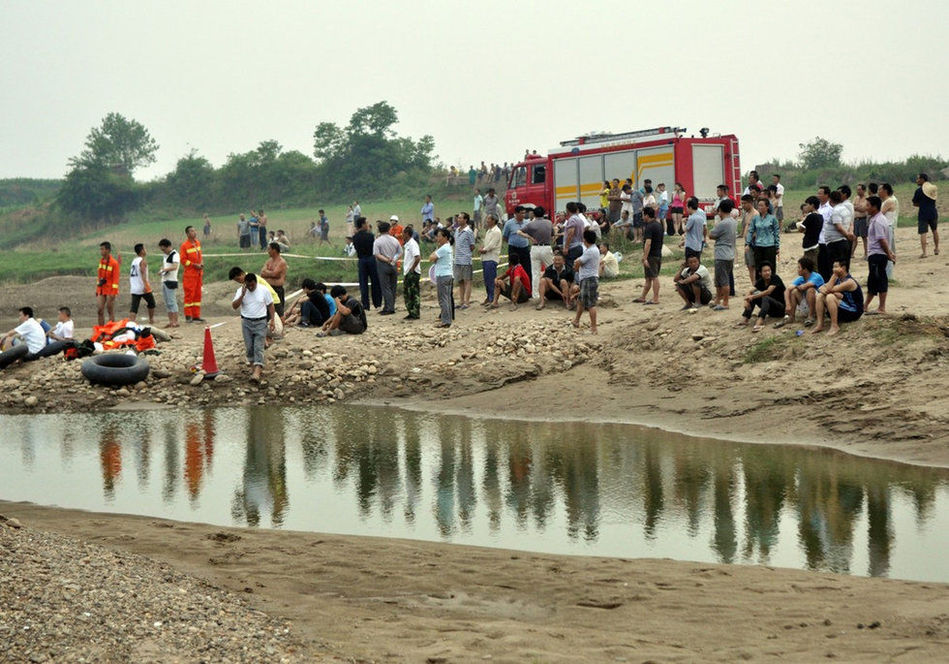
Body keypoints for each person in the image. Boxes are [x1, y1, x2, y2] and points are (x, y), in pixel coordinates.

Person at [232, 272, 275, 382]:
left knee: (258, 347)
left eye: (252, 285)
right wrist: (242, 295)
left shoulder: (264, 290)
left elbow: (270, 305)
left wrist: (273, 320)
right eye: (248, 285)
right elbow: (234, 306)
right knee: (249, 347)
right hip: (246, 322)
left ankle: (257, 371)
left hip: (260, 321)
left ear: (255, 282)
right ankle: (254, 368)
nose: (251, 287)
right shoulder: (240, 291)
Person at [227, 267, 284, 340]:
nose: (238, 282)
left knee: (270, 320)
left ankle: (269, 338)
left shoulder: (252, 280)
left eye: (238, 279)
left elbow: (259, 294)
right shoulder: (249, 280)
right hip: (272, 299)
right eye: (236, 281)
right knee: (273, 320)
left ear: (242, 274)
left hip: (271, 300)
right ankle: (269, 338)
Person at [864, 195, 897, 315]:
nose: (866, 208)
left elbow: (882, 240)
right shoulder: (878, 218)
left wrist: (888, 254)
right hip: (876, 254)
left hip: (878, 255)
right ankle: (865, 306)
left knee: (880, 280)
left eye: (868, 205)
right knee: (873, 280)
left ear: (874, 207)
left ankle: (881, 307)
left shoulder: (878, 221)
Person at [812, 259, 864, 336]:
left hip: (854, 312)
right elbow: (821, 288)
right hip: (844, 308)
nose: (833, 269)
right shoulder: (838, 279)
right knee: (820, 296)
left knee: (830, 296)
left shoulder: (849, 282)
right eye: (833, 267)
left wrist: (834, 276)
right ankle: (820, 324)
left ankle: (834, 326)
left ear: (843, 268)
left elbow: (828, 289)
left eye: (836, 267)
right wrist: (825, 289)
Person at [775, 257, 824, 328]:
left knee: (810, 290)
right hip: (806, 305)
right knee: (794, 292)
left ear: (805, 269)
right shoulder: (800, 279)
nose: (797, 270)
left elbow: (805, 286)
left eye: (799, 267)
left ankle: (811, 316)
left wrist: (797, 286)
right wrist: (788, 304)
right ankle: (791, 316)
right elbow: (787, 290)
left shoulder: (816, 276)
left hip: (819, 307)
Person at [517, 205, 554, 300]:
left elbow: (519, 232)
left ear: (534, 214)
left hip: (535, 248)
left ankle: (536, 295)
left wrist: (529, 237)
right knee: (551, 270)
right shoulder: (549, 223)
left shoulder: (531, 224)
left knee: (535, 272)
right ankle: (553, 291)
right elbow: (552, 234)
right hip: (546, 247)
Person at [738, 261, 786, 332]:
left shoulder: (775, 278)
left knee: (763, 297)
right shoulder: (761, 281)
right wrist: (746, 300)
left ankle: (760, 321)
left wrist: (753, 297)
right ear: (760, 273)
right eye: (765, 271)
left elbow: (768, 291)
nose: (767, 273)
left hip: (781, 309)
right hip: (770, 311)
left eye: (769, 270)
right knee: (754, 296)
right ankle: (745, 319)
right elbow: (750, 291)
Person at [708, 198, 737, 310]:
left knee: (723, 280)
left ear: (720, 210)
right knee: (719, 279)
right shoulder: (733, 222)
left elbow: (711, 235)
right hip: (730, 253)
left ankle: (725, 302)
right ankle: (718, 299)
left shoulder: (723, 224)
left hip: (721, 254)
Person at [572, 229, 601, 334]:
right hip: (586, 278)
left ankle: (594, 328)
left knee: (590, 304)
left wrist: (576, 265)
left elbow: (578, 262)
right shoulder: (593, 249)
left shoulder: (590, 251)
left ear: (585, 239)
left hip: (589, 279)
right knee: (581, 301)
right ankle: (576, 321)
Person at [746, 197, 780, 279]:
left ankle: (772, 285)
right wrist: (747, 243)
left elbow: (776, 233)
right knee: (759, 267)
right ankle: (760, 286)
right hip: (758, 245)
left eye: (762, 205)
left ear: (767, 207)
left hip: (770, 246)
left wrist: (777, 246)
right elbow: (750, 231)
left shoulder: (772, 218)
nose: (759, 207)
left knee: (771, 267)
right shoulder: (755, 218)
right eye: (758, 206)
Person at [634, 206, 663, 305]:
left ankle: (655, 298)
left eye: (643, 215)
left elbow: (648, 243)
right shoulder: (658, 225)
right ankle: (643, 297)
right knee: (648, 277)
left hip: (652, 255)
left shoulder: (649, 227)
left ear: (646, 215)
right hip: (658, 253)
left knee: (654, 277)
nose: (642, 217)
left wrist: (645, 257)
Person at [373, 220, 402, 316]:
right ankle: (389, 306)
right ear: (389, 229)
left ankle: (389, 307)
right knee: (393, 286)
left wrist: (386, 260)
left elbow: (377, 254)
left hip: (383, 265)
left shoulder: (378, 241)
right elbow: (400, 252)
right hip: (393, 264)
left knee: (385, 287)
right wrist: (393, 259)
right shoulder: (394, 240)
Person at [352, 217, 381, 310]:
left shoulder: (355, 237)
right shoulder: (370, 236)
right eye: (367, 223)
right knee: (375, 281)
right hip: (371, 259)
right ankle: (377, 303)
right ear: (363, 224)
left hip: (361, 260)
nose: (368, 225)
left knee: (363, 283)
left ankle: (365, 304)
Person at [179, 225, 204, 322]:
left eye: (195, 230)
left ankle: (196, 315)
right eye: (192, 231)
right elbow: (183, 260)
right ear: (188, 234)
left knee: (197, 295)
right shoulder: (184, 245)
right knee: (189, 295)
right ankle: (188, 316)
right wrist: (194, 265)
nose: (194, 232)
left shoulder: (197, 243)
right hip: (190, 275)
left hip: (198, 274)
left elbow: (200, 256)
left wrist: (201, 263)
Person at [502, 205, 532, 286]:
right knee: (513, 268)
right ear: (516, 214)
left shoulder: (527, 223)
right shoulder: (509, 223)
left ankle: (528, 288)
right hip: (513, 249)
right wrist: (512, 242)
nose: (523, 215)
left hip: (525, 249)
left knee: (527, 268)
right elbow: (504, 237)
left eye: (524, 213)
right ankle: (513, 287)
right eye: (521, 213)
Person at [430, 227, 454, 327]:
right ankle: (447, 319)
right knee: (447, 298)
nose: (437, 238)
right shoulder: (448, 247)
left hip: (443, 275)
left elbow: (431, 258)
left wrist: (437, 249)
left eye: (439, 236)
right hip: (448, 274)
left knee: (443, 299)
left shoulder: (443, 248)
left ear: (445, 237)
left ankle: (445, 321)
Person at [128, 243, 156, 324]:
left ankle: (131, 322)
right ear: (142, 251)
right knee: (152, 303)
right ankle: (151, 319)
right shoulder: (142, 261)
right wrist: (145, 285)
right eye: (144, 248)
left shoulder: (134, 261)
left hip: (134, 287)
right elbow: (143, 273)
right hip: (142, 286)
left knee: (134, 307)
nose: (145, 250)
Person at [913, 173, 939, 258]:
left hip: (923, 213)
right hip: (933, 212)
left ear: (922, 179)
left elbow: (915, 203)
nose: (917, 180)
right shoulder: (932, 189)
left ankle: (924, 253)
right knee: (934, 230)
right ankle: (936, 248)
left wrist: (922, 205)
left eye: (918, 179)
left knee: (923, 233)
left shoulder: (918, 191)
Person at [453, 213, 476, 309]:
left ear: (465, 220)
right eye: (458, 218)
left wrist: (466, 253)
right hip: (457, 259)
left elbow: (472, 245)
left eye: (460, 218)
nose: (458, 220)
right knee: (460, 281)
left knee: (467, 281)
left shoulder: (468, 231)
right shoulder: (457, 230)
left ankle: (467, 302)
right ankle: (461, 301)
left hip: (465, 260)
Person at [479, 213, 502, 306]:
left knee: (491, 279)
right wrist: (483, 248)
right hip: (485, 258)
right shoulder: (489, 231)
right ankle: (489, 297)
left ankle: (493, 299)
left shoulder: (496, 231)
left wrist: (483, 249)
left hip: (491, 258)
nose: (487, 220)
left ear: (493, 221)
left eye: (488, 219)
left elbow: (492, 245)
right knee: (487, 279)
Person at [260, 242, 288, 318]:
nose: (267, 251)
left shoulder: (281, 262)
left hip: (277, 289)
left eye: (269, 249)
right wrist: (271, 274)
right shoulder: (269, 261)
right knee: (267, 311)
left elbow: (275, 274)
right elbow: (262, 273)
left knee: (279, 312)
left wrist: (268, 273)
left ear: (274, 250)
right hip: (268, 289)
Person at [157, 238, 180, 328]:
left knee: (172, 301)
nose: (163, 251)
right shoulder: (165, 256)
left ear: (169, 247)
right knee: (167, 302)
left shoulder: (175, 255)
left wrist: (164, 270)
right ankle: (170, 321)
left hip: (171, 280)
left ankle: (175, 321)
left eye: (164, 249)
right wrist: (162, 270)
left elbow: (175, 266)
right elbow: (165, 265)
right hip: (164, 279)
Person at [95, 241, 120, 326]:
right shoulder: (101, 261)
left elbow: (116, 279)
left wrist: (113, 293)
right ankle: (101, 330)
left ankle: (111, 329)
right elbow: (99, 276)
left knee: (110, 310)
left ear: (108, 250)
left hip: (110, 290)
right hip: (101, 289)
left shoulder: (114, 263)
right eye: (100, 249)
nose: (101, 251)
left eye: (102, 249)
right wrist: (97, 289)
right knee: (100, 310)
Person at [796, 196, 824, 268]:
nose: (806, 207)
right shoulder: (820, 216)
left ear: (812, 205)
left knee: (810, 267)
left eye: (807, 205)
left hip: (810, 246)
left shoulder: (811, 216)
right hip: (815, 243)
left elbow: (801, 229)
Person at [401, 225, 421, 320]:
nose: (402, 235)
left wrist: (412, 269)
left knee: (413, 293)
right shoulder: (407, 244)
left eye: (403, 233)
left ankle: (415, 313)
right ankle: (410, 311)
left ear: (407, 234)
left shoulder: (413, 244)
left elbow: (417, 257)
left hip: (412, 272)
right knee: (408, 294)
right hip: (407, 272)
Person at [880, 183, 899, 279]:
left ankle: (889, 275)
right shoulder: (884, 201)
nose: (878, 192)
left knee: (888, 249)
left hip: (887, 227)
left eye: (880, 190)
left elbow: (880, 214)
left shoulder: (889, 201)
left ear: (885, 191)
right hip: (884, 228)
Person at [739, 195, 757, 286]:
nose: (743, 205)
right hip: (747, 243)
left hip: (754, 243)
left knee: (754, 266)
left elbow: (757, 231)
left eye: (744, 203)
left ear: (750, 203)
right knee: (749, 265)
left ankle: (757, 285)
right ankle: (754, 285)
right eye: (742, 203)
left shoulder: (755, 214)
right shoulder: (746, 214)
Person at [562, 201, 585, 266]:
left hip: (573, 247)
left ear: (567, 210)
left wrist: (566, 247)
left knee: (571, 267)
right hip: (580, 246)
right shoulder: (580, 220)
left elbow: (570, 233)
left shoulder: (572, 220)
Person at [852, 184, 869, 259]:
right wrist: (858, 207)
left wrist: (857, 207)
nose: (858, 191)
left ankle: (866, 253)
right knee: (854, 237)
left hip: (863, 219)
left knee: (864, 237)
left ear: (864, 190)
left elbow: (864, 209)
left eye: (859, 189)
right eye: (857, 189)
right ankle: (851, 254)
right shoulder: (856, 198)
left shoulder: (867, 198)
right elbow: (853, 207)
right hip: (856, 219)